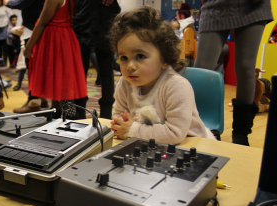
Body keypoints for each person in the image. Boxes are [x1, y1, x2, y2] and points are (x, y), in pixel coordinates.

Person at [108, 6, 215, 144]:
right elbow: (118, 119)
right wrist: (124, 127)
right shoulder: (124, 83)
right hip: (147, 145)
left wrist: (132, 130)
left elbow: (174, 133)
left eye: (140, 56)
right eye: (123, 58)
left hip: (191, 145)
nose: (130, 66)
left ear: (164, 59)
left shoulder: (177, 86)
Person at [194, 0, 273, 146]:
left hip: (252, 6)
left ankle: (241, 133)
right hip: (215, 5)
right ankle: (199, 126)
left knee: (245, 68)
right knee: (201, 71)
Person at [23, 0, 88, 119]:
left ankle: (68, 116)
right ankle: (58, 113)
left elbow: (42, 22)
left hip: (56, 39)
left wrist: (28, 47)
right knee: (61, 79)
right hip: (65, 36)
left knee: (60, 79)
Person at [4, 0, 49, 113]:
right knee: (38, 67)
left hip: (35, 29)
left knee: (33, 68)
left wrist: (8, 2)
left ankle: (33, 101)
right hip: (36, 28)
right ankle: (41, 98)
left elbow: (22, 2)